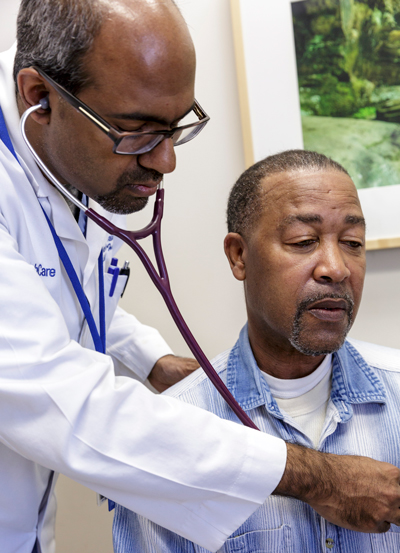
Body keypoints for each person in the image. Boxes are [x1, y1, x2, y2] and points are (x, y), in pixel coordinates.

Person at [1, 0, 399, 551]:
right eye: (137, 131)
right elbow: (59, 401)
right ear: (38, 97)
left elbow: (60, 292)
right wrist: (317, 477)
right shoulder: (190, 418)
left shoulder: (65, 151)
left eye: (176, 126)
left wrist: (151, 359)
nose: (166, 163)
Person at [112, 150, 400, 553]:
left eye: (353, 242)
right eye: (304, 241)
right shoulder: (175, 430)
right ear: (239, 255)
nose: (336, 268)